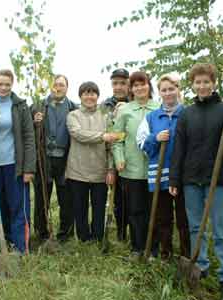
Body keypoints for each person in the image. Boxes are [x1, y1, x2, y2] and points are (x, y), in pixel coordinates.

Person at [169, 63, 223, 300]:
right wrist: (175, 178)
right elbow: (179, 149)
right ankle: (201, 266)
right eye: (198, 82)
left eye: (206, 81)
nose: (202, 86)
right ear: (192, 85)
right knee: (196, 227)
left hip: (219, 180)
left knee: (221, 230)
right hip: (191, 180)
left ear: (213, 83)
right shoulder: (187, 113)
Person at [136, 74, 190, 260]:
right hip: (159, 175)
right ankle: (166, 255)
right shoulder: (151, 117)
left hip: (183, 176)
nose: (168, 93)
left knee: (184, 219)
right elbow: (142, 144)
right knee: (163, 219)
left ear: (178, 90)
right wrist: (155, 138)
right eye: (164, 90)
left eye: (171, 89)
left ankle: (186, 256)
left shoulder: (187, 114)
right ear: (159, 93)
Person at [112, 71, 160, 259]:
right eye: (136, 85)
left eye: (143, 84)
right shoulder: (125, 111)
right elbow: (117, 139)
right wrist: (119, 158)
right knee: (135, 210)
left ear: (149, 86)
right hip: (131, 169)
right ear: (131, 89)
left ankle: (153, 249)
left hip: (155, 169)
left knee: (154, 210)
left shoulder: (159, 108)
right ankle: (137, 248)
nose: (140, 88)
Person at [65, 82, 119, 242]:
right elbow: (78, 134)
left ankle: (97, 236)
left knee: (99, 206)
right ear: (80, 96)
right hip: (77, 170)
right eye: (86, 93)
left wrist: (110, 169)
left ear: (98, 96)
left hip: (99, 169)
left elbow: (110, 146)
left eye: (93, 93)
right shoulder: (73, 115)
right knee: (79, 206)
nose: (89, 97)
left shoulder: (105, 116)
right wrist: (102, 136)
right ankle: (83, 237)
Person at [0, 69, 36, 254]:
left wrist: (29, 168)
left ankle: (20, 246)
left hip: (14, 164)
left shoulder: (19, 106)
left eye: (7, 84)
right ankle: (5, 240)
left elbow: (29, 137)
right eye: (0, 84)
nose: (3, 87)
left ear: (12, 85)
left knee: (18, 206)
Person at [32, 74, 78, 243]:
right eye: (55, 84)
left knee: (66, 198)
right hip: (43, 159)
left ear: (67, 88)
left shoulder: (73, 108)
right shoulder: (38, 106)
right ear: (50, 87)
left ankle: (65, 233)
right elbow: (28, 131)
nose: (58, 87)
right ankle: (42, 233)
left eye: (61, 85)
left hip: (65, 159)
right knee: (41, 197)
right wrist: (33, 121)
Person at [101, 68, 130, 241]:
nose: (118, 87)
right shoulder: (105, 106)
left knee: (132, 198)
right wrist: (110, 168)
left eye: (122, 83)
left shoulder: (135, 102)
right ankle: (121, 233)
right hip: (113, 157)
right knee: (117, 198)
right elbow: (107, 134)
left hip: (134, 157)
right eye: (115, 83)